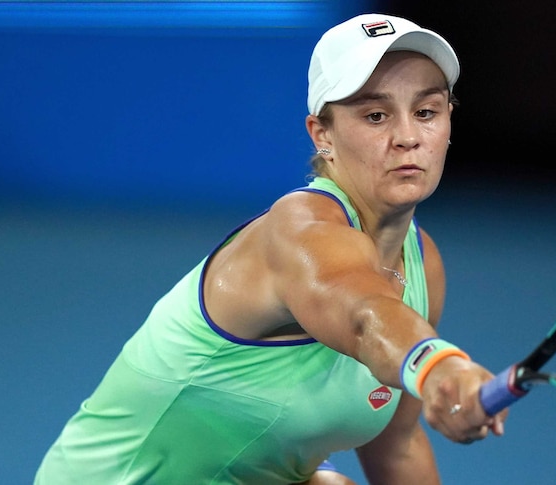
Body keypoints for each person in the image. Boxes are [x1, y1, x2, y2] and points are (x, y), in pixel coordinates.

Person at [35, 12, 507, 485]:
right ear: (323, 135)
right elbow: (365, 315)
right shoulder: (298, 230)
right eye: (376, 115)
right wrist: (440, 368)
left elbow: (397, 445)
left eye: (426, 112)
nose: (408, 137)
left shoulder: (422, 262)